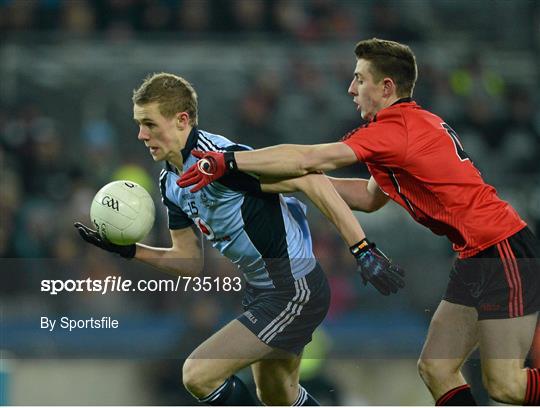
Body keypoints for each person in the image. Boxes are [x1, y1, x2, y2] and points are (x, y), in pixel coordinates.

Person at [178, 39, 540, 406]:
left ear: (386, 87)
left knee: (504, 385)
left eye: (360, 79)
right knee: (436, 368)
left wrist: (230, 162)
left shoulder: (393, 130)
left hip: (502, 250)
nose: (351, 89)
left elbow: (308, 157)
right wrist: (294, 185)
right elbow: (368, 197)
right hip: (476, 255)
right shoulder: (409, 125)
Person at [74, 72, 404, 406]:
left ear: (181, 120)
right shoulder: (169, 182)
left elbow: (311, 180)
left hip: (294, 287)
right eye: (138, 124)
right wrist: (130, 251)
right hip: (265, 290)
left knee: (198, 374)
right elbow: (188, 261)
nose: (142, 134)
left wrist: (361, 249)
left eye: (149, 123)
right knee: (278, 397)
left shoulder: (221, 161)